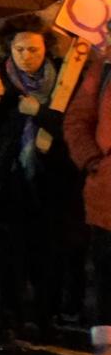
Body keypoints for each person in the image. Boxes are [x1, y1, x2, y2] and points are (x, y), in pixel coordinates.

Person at [0, 18, 85, 342]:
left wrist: (40, 114)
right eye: (20, 49)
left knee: (47, 254)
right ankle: (6, 318)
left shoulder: (64, 81)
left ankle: (44, 316)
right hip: (8, 182)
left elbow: (76, 126)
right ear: (9, 49)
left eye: (33, 49)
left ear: (46, 49)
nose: (27, 56)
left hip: (51, 184)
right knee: (7, 255)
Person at [62, 47, 111, 329]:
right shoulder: (102, 70)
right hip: (106, 196)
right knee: (107, 279)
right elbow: (76, 120)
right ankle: (107, 352)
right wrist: (93, 160)